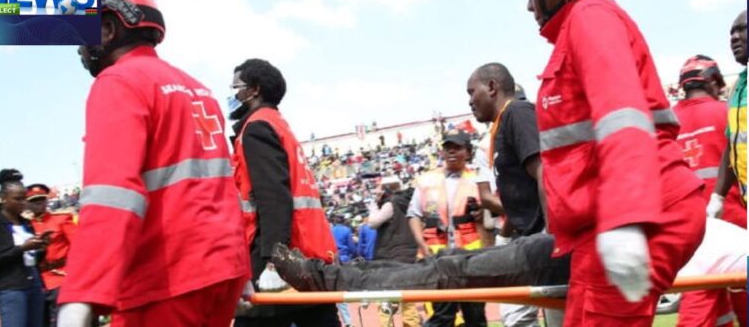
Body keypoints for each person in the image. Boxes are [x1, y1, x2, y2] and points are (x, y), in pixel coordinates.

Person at [511, 0, 708, 324]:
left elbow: (622, 118)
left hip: (643, 212)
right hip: (613, 221)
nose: (531, 5)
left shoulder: (590, 18)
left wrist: (626, 219)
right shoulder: (582, 26)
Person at [58, 0, 249, 327]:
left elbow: (112, 194)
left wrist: (81, 294)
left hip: (165, 279)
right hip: (223, 271)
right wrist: (241, 268)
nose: (80, 49)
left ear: (108, 29)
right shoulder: (198, 89)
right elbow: (223, 187)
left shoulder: (119, 83)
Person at [271, 217, 746, 301]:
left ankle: (327, 277)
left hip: (572, 252)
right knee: (446, 268)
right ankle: (331, 275)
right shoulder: (734, 245)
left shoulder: (733, 245)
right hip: (572, 249)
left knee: (446, 270)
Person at [230, 58, 340, 327]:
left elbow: (273, 197)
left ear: (254, 90)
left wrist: (273, 260)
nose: (233, 95)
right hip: (305, 250)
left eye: (237, 87)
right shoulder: (278, 125)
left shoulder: (256, 128)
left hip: (278, 255)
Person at [466, 63, 547, 326]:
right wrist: (504, 236)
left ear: (491, 87)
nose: (470, 101)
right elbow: (519, 196)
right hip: (528, 238)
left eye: (472, 92)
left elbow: (545, 174)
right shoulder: (501, 126)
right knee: (517, 315)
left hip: (543, 236)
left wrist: (553, 236)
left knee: (527, 315)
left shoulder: (518, 112)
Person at [672, 55, 746, 327]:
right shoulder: (726, 112)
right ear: (714, 82)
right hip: (734, 225)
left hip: (691, 231)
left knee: (701, 302)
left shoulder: (669, 121)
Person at [407, 130, 486, 327]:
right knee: (442, 316)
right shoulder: (426, 180)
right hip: (437, 258)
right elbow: (414, 214)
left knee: (475, 315)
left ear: (468, 152)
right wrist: (422, 246)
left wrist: (483, 213)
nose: (451, 152)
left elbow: (492, 214)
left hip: (470, 258)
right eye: (447, 148)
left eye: (457, 148)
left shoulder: (479, 179)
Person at [0, 169, 48, 327]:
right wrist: (21, 249)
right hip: (10, 288)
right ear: (4, 199)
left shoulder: (26, 223)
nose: (22, 203)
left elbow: (32, 258)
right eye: (17, 199)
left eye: (24, 199)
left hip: (33, 283)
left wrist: (41, 247)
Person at [709, 10, 747, 223]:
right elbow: (732, 144)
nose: (734, 37)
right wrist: (718, 196)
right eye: (731, 32)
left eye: (742, 29)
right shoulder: (738, 88)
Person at [367, 176, 420, 327]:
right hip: (408, 257)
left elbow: (372, 222)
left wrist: (374, 205)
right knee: (408, 300)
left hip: (390, 258)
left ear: (386, 189)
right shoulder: (409, 203)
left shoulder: (391, 203)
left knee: (386, 300)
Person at [25, 184, 77, 327]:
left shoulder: (61, 219)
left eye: (41, 199)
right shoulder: (26, 226)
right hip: (38, 282)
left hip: (61, 277)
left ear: (47, 200)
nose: (38, 204)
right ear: (27, 204)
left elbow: (79, 246)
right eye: (34, 201)